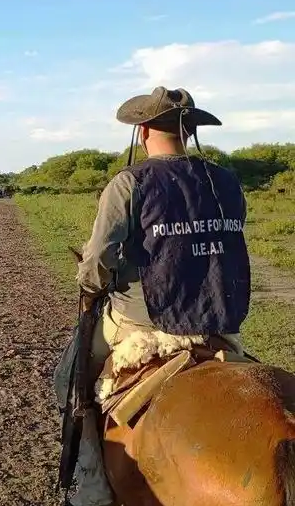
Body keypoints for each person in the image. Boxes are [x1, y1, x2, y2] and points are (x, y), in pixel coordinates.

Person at [54, 86, 251, 506]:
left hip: (143, 323)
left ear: (143, 131)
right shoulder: (227, 181)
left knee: (68, 378)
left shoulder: (129, 183)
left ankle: (90, 485)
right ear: (190, 130)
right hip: (217, 320)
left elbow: (97, 263)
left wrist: (90, 286)